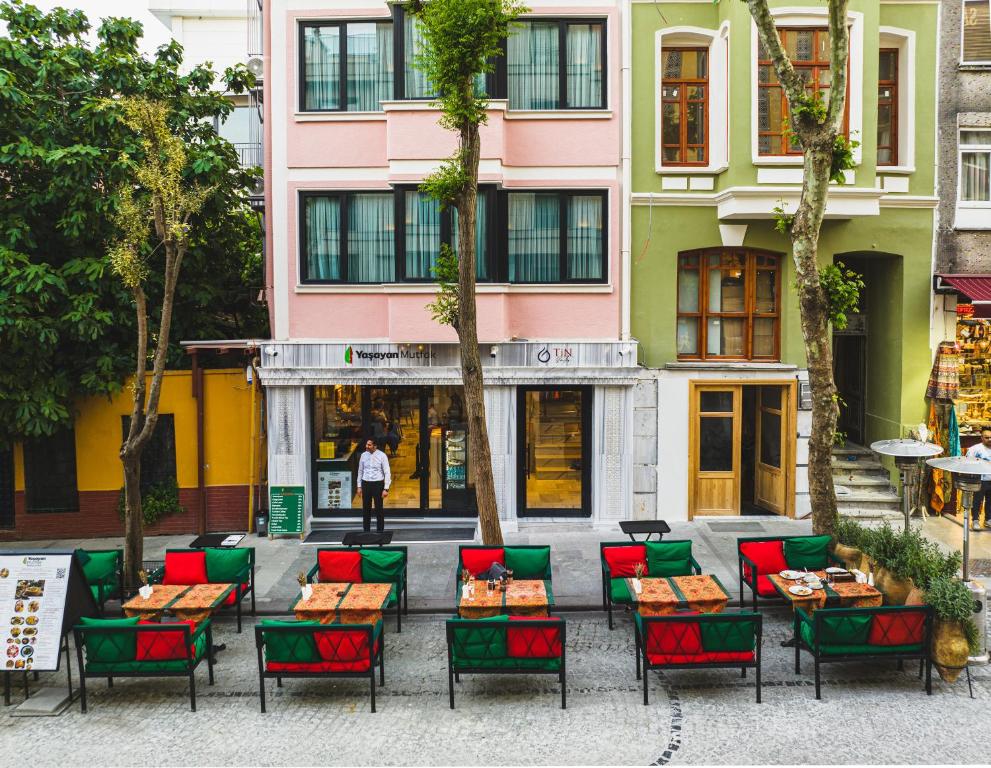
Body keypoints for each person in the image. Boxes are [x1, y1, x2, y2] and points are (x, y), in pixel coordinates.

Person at [356, 437, 391, 532]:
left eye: (369, 445)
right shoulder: (363, 455)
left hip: (378, 484)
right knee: (366, 509)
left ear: (375, 446)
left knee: (379, 509)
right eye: (366, 444)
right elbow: (360, 471)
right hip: (366, 483)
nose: (366, 446)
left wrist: (386, 488)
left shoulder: (382, 456)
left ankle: (380, 532)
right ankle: (366, 531)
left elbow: (387, 472)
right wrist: (359, 486)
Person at [965, 426, 991, 530]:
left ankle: (988, 519)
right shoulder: (975, 449)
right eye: (987, 437)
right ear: (981, 437)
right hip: (980, 480)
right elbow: (967, 462)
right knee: (977, 500)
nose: (990, 439)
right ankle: (975, 520)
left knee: (990, 501)